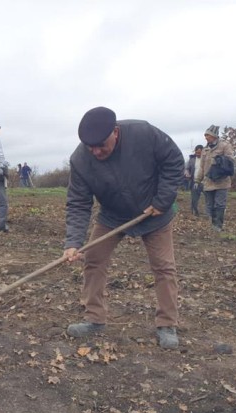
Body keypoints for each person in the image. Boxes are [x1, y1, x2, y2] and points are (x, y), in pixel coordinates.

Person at [63, 107, 184, 349]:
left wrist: (163, 199)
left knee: (164, 267)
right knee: (93, 260)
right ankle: (94, 319)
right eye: (90, 147)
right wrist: (74, 242)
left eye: (101, 145)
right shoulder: (80, 161)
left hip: (154, 214)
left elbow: (174, 161)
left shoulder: (144, 133)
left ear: (115, 132)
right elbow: (78, 202)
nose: (96, 151)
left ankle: (167, 324)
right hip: (112, 216)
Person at [195, 125, 234, 231]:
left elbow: (230, 160)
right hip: (208, 181)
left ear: (214, 135)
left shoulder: (225, 146)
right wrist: (197, 180)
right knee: (210, 205)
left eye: (207, 135)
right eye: (205, 135)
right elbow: (202, 167)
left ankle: (218, 226)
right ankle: (213, 224)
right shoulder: (205, 149)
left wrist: (219, 161)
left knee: (219, 204)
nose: (206, 137)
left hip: (222, 181)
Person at [186, 145, 204, 216]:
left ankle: (209, 213)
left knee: (208, 198)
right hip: (194, 182)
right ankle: (194, 212)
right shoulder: (192, 160)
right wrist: (187, 173)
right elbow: (187, 168)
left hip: (205, 182)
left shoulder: (206, 159)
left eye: (199, 153)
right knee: (194, 199)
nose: (198, 154)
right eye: (196, 152)